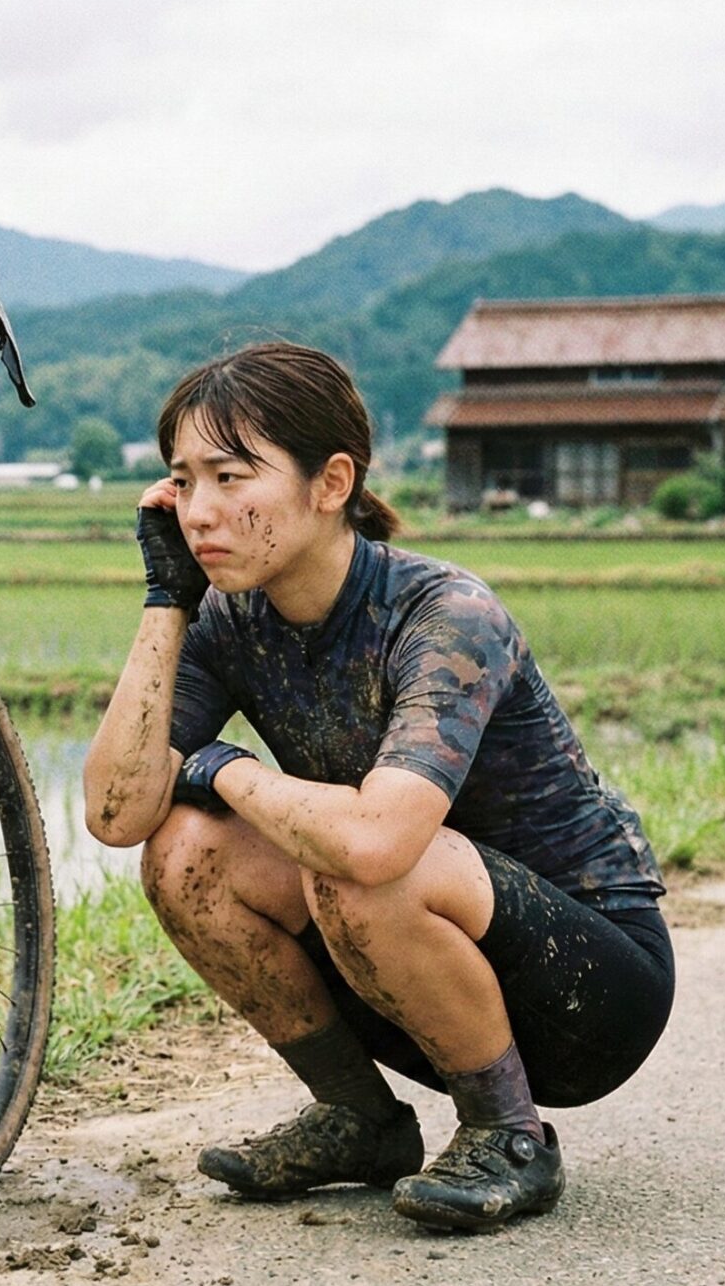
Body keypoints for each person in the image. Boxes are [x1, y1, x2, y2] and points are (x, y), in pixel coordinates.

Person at [81, 342, 674, 1232]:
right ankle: (358, 1118)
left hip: (592, 991)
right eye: (183, 481)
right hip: (409, 960)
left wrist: (227, 768)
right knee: (184, 850)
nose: (200, 512)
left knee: (353, 860)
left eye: (231, 477)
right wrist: (168, 598)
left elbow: (376, 841)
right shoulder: (231, 620)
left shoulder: (445, 615)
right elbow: (116, 813)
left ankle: (509, 1135)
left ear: (331, 483)